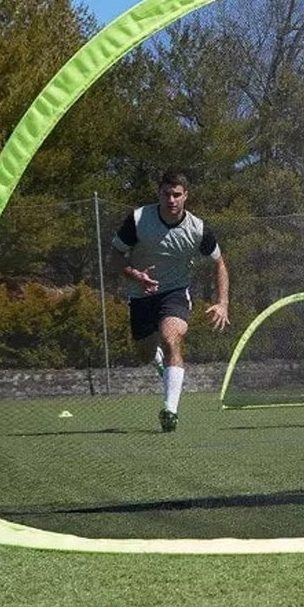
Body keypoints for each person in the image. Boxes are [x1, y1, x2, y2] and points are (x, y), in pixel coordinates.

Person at [112, 170, 230, 432]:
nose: (171, 200)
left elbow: (219, 263)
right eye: (166, 194)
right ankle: (158, 359)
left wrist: (223, 303)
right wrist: (135, 275)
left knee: (171, 337)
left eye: (177, 195)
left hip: (175, 292)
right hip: (141, 295)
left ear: (186, 196)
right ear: (159, 194)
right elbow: (115, 255)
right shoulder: (139, 219)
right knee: (144, 353)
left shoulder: (198, 229)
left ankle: (170, 410)